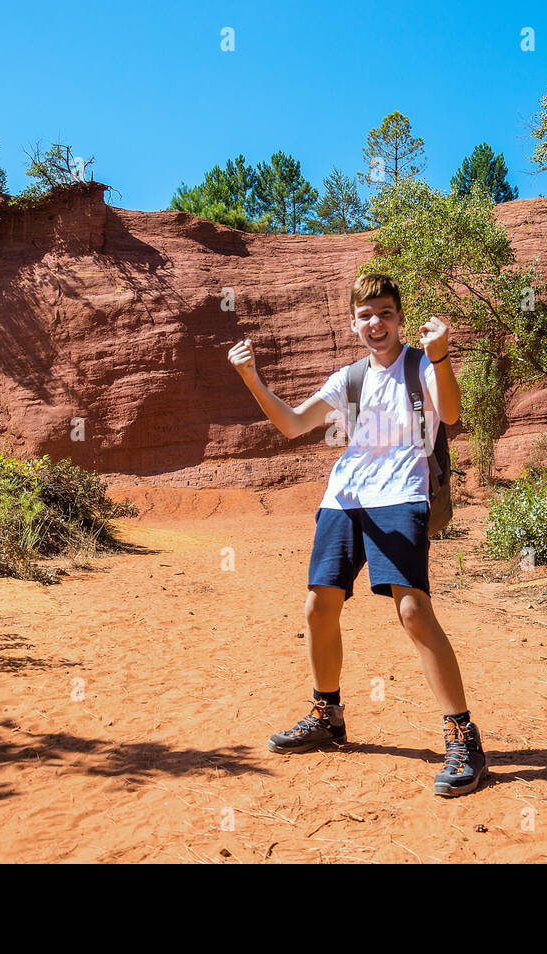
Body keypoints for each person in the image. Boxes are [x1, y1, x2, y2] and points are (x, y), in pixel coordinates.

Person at [226, 272, 488, 796]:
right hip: (344, 498)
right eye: (366, 315)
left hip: (403, 496)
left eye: (386, 313)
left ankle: (463, 737)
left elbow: (453, 414)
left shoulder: (420, 365)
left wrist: (440, 357)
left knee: (412, 610)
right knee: (318, 606)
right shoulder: (349, 380)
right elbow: (294, 424)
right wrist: (251, 378)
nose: (376, 323)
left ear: (400, 319)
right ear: (353, 323)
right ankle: (327, 714)